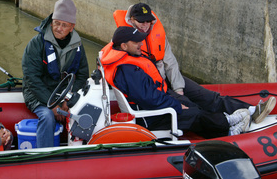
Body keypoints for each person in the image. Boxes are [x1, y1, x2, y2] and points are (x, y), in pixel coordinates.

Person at [113, 3, 276, 125]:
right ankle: (225, 122)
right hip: (155, 85)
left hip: (167, 77)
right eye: (141, 21)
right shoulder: (127, 41)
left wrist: (178, 87)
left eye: (148, 21)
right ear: (131, 20)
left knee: (207, 96)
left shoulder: (157, 34)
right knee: (190, 107)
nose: (145, 25)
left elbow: (170, 61)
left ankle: (252, 110)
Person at [101, 26, 275, 138]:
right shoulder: (127, 70)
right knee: (191, 113)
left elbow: (150, 92)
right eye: (136, 41)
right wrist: (176, 106)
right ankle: (228, 127)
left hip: (153, 102)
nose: (140, 43)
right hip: (149, 116)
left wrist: (177, 100)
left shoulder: (127, 60)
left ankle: (226, 119)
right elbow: (149, 98)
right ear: (123, 46)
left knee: (188, 103)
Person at [22, 0, 89, 148]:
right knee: (47, 116)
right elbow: (32, 78)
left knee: (86, 112)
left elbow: (83, 75)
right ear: (51, 21)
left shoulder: (78, 45)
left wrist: (67, 99)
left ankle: (79, 153)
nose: (58, 28)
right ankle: (44, 157)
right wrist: (52, 105)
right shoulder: (36, 44)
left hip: (64, 93)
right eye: (56, 23)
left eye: (64, 25)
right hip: (38, 94)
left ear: (72, 27)